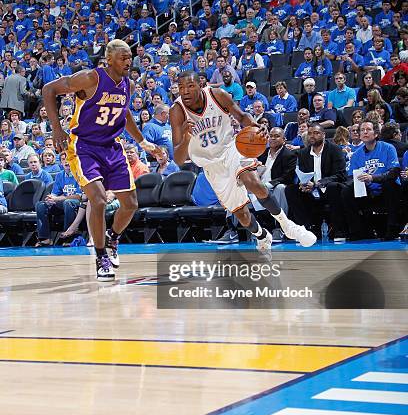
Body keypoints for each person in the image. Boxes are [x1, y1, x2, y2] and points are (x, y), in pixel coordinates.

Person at [42, 39, 161, 280]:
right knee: (97, 200)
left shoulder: (128, 84)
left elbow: (124, 112)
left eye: (130, 57)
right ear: (109, 59)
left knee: (130, 204)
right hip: (84, 146)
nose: (128, 61)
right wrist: (56, 129)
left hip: (112, 147)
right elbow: (49, 90)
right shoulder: (91, 78)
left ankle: (112, 238)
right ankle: (100, 257)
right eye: (123, 57)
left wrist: (143, 143)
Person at [169, 71, 316, 250]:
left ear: (201, 85)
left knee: (253, 182)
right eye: (181, 88)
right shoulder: (177, 111)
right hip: (211, 165)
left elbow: (240, 116)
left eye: (190, 86)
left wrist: (256, 127)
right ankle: (262, 235)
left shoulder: (217, 95)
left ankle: (288, 226)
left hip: (231, 149)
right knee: (242, 215)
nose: (184, 92)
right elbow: (178, 159)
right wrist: (185, 136)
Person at [341, 120, 402, 240]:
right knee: (346, 190)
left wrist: (372, 178)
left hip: (387, 190)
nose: (364, 132)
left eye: (368, 129)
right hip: (368, 192)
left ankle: (392, 229)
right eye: (362, 130)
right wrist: (360, 181)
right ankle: (357, 231)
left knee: (389, 184)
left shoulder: (388, 148)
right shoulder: (357, 155)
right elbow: (350, 177)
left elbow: (394, 172)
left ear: (376, 134)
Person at [285, 124, 348, 240]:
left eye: (316, 133)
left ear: (323, 135)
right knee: (290, 190)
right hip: (311, 191)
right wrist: (303, 184)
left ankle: (339, 230)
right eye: (310, 133)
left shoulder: (335, 150)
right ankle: (306, 230)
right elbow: (303, 174)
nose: (312, 136)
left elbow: (341, 175)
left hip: (328, 189)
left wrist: (317, 184)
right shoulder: (303, 153)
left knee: (334, 187)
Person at [34, 159, 82, 247]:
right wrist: (50, 199)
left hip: (78, 204)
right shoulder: (59, 175)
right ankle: (45, 238)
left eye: (69, 159)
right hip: (62, 202)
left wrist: (58, 198)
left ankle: (69, 237)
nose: (67, 162)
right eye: (64, 159)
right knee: (41, 205)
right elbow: (54, 194)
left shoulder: (80, 174)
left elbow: (79, 196)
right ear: (61, 162)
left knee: (68, 203)